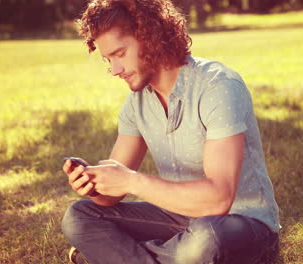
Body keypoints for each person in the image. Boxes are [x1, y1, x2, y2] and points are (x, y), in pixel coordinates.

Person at [61, 0, 280, 263]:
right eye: (108, 60)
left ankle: (116, 255)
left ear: (150, 36)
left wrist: (132, 181)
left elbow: (220, 199)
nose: (115, 70)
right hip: (180, 220)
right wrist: (94, 185)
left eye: (120, 54)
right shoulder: (137, 104)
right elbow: (111, 196)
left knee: (205, 237)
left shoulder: (218, 86)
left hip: (240, 223)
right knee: (80, 215)